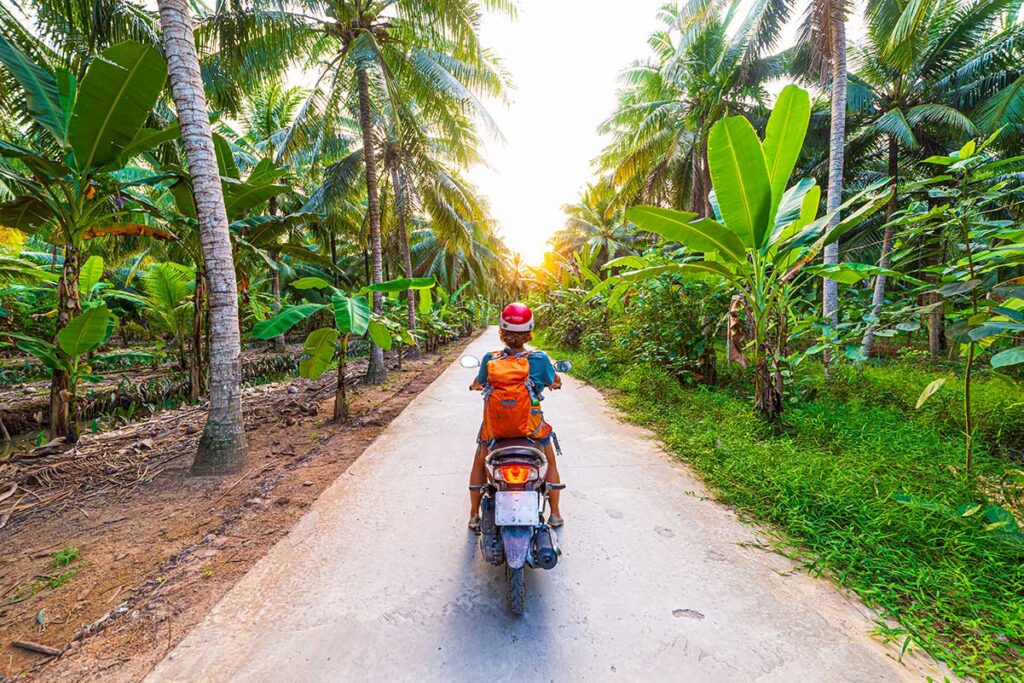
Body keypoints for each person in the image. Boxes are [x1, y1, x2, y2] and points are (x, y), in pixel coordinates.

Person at [469, 302, 563, 532]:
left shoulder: (490, 359)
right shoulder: (540, 359)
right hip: (531, 428)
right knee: (550, 460)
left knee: (479, 462)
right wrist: (554, 382)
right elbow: (554, 381)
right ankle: (556, 514)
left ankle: (473, 516)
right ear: (530, 331)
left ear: (502, 331)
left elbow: (479, 383)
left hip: (496, 429)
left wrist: (474, 386)